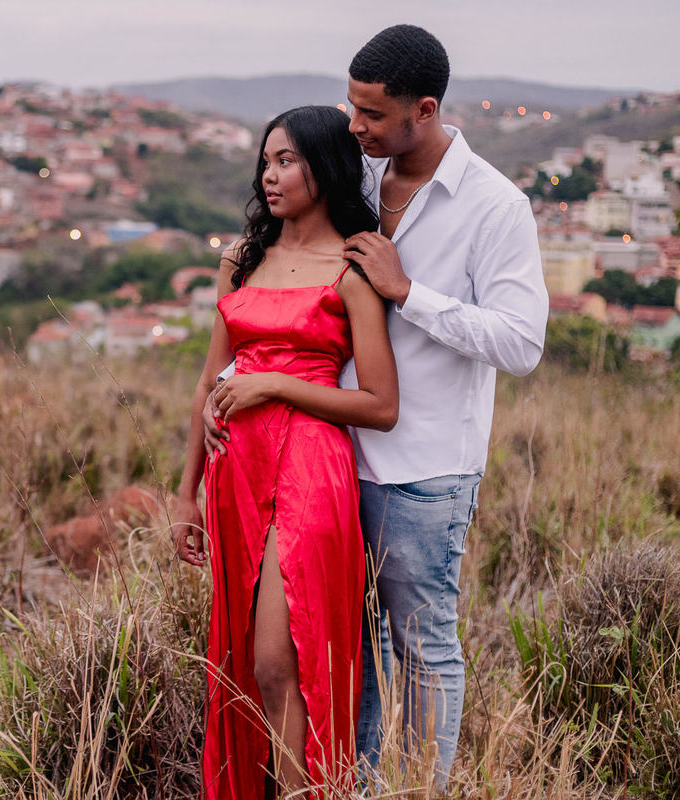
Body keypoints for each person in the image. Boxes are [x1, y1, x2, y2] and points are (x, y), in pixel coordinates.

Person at [205, 25, 550, 789]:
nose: (355, 126)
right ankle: (351, 785)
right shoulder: (356, 181)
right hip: (317, 463)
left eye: (372, 114)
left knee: (422, 647)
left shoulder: (494, 206)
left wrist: (408, 293)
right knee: (335, 649)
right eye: (351, 108)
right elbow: (291, 299)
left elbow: (522, 344)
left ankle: (415, 788)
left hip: (420, 468)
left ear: (423, 111)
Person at [171, 105, 399, 799]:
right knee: (243, 661)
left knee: (278, 658)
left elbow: (380, 406)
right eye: (267, 161)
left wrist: (276, 385)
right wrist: (184, 496)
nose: (270, 175)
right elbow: (210, 380)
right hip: (234, 466)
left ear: (324, 168)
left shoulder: (353, 268)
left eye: (288, 161)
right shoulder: (241, 260)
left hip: (310, 465)